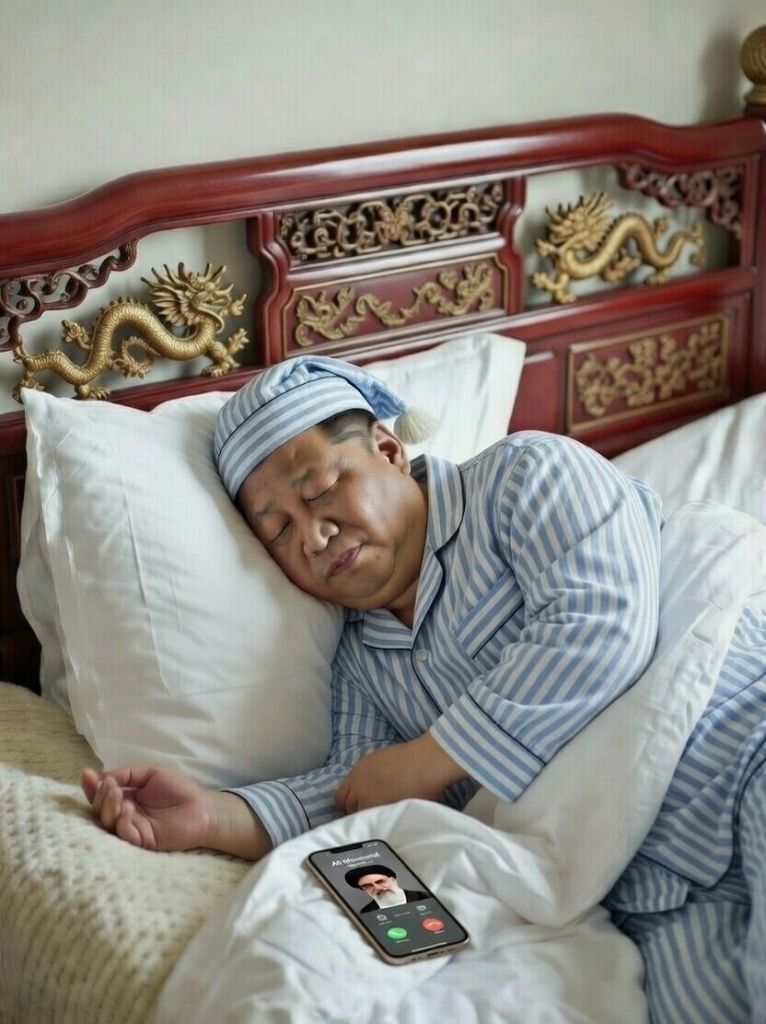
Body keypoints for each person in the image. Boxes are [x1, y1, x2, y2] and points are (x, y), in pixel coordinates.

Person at [81, 355, 766, 1023]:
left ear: (387, 449)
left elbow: (600, 620)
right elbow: (359, 793)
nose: (314, 535)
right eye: (279, 529)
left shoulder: (522, 477)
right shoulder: (361, 663)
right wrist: (214, 815)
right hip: (646, 886)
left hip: (738, 753)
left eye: (320, 492)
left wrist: (433, 756)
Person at [344, 864, 428, 913]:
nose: (377, 888)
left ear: (393, 880)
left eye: (380, 881)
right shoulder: (367, 912)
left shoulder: (424, 897)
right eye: (368, 886)